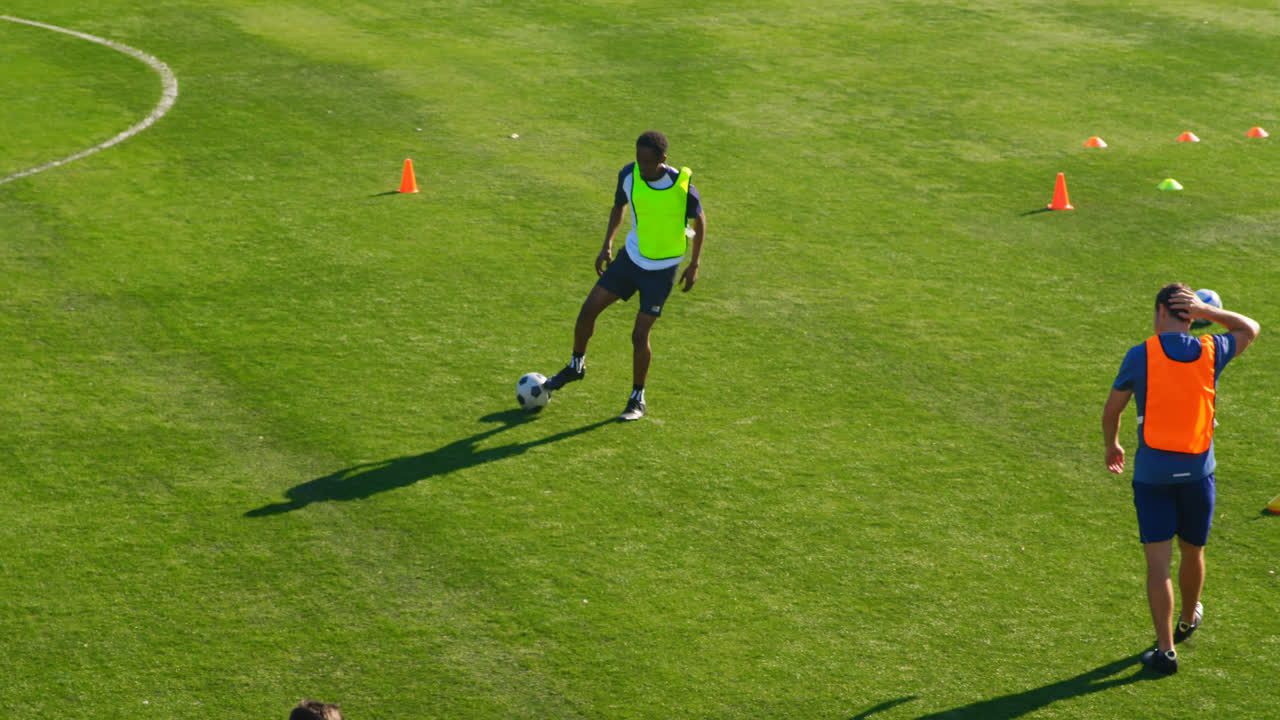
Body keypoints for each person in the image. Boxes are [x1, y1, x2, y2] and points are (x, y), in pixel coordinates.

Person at [1101, 284, 1260, 675]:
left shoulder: (1140, 356)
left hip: (1153, 477)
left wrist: (1113, 446)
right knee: (1193, 552)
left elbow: (1112, 410)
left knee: (1158, 566)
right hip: (1198, 475)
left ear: (1159, 311)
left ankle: (1166, 650)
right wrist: (1210, 309)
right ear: (1192, 315)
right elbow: (1250, 328)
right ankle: (1188, 620)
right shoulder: (1211, 351)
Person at [542, 130, 706, 421]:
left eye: (647, 163)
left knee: (639, 334)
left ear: (662, 159)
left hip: (662, 270)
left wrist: (694, 264)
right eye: (638, 160)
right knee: (587, 311)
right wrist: (607, 244)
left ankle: (636, 398)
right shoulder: (628, 176)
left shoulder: (681, 185)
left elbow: (699, 220)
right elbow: (619, 206)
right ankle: (576, 365)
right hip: (630, 260)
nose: (641, 168)